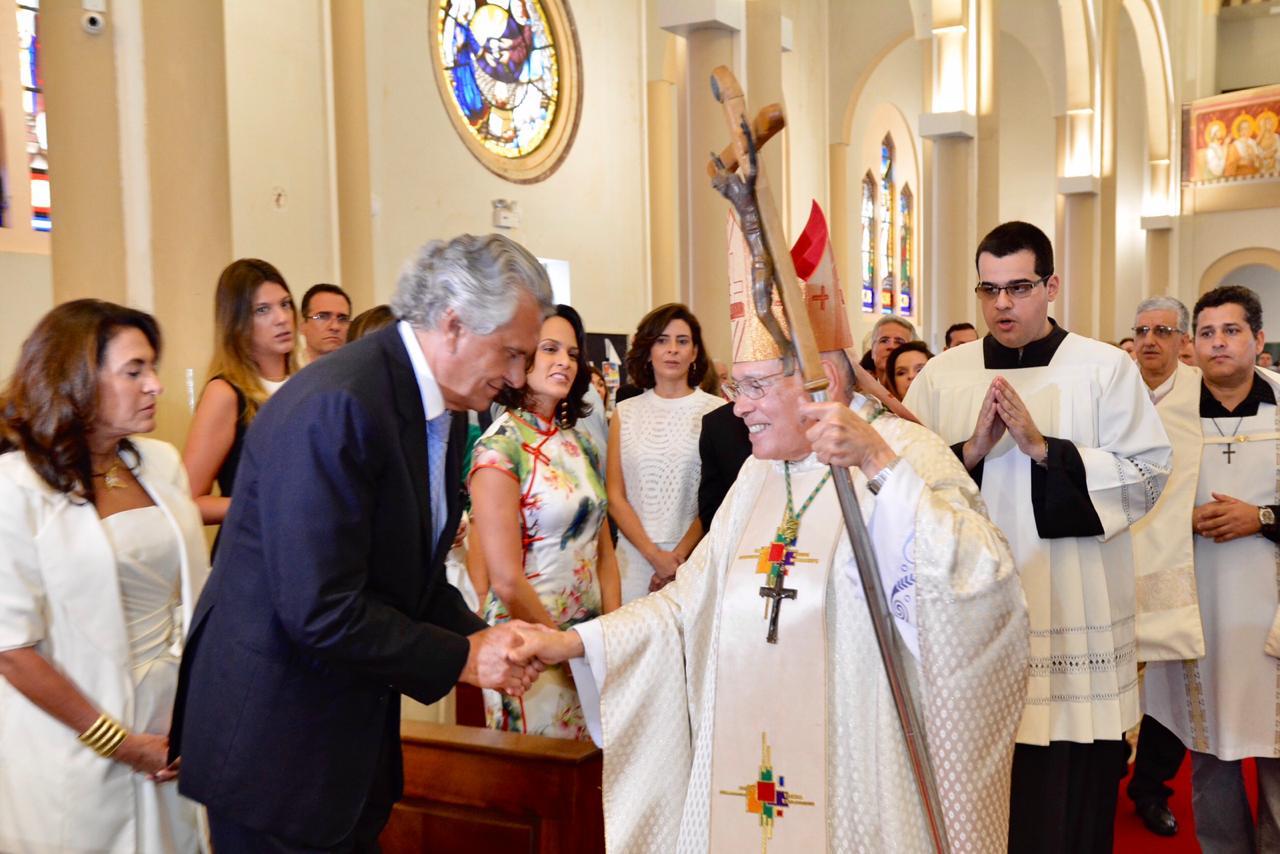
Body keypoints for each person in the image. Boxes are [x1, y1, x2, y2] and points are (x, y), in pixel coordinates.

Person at [521, 238, 1029, 851]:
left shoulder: (905, 454)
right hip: (748, 763)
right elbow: (688, 603)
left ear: (825, 381)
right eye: (737, 387)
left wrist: (877, 463)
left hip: (855, 784)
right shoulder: (758, 475)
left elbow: (982, 590)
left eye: (757, 387)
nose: (740, 409)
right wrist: (576, 640)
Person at [170, 234, 555, 851]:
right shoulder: (340, 403)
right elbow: (321, 607)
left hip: (335, 740)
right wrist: (463, 658)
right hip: (278, 748)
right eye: (510, 354)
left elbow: (407, 581)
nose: (515, 377)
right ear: (453, 324)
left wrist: (485, 636)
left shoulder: (442, 405)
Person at [904, 220, 1171, 854]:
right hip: (969, 615)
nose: (1002, 304)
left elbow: (1147, 477)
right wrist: (968, 451)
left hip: (1069, 603)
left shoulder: (1105, 369)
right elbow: (898, 485)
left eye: (1018, 287)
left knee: (1065, 798)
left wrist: (1045, 450)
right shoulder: (942, 376)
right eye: (988, 289)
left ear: (1051, 286)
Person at [0, 300, 209, 852]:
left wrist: (198, 720)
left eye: (153, 369)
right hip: (72, 735)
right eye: (134, 371)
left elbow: (195, 597)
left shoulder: (159, 463)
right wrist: (119, 743)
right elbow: (11, 649)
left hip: (171, 730)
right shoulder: (16, 488)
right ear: (76, 380)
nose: (155, 386)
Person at [1143, 286, 1280, 853]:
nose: (1218, 342)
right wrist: (1181, 515)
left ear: (1258, 340)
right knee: (1209, 756)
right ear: (1191, 346)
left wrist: (1262, 516)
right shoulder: (1162, 420)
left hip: (1271, 616)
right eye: (1207, 333)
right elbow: (1139, 508)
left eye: (1231, 331)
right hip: (1197, 615)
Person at [470, 305, 620, 740]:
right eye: (550, 349)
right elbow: (506, 580)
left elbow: (603, 550)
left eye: (573, 353)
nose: (565, 362)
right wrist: (563, 653)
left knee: (592, 771)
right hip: (528, 647)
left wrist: (608, 639)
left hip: (586, 639)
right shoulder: (499, 447)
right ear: (519, 358)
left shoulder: (583, 443)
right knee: (540, 782)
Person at [1125, 296, 1200, 837]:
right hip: (1115, 553)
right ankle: (1102, 774)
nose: (1150, 340)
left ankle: (1150, 787)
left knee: (1171, 684)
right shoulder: (1113, 387)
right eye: (1142, 330)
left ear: (1183, 341)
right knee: (1109, 679)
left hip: (1179, 555)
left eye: (1163, 331)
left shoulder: (1205, 395)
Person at [607, 303, 722, 602]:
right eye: (662, 340)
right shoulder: (625, 412)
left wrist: (677, 557)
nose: (672, 349)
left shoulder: (718, 412)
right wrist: (653, 555)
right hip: (634, 560)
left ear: (695, 352)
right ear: (648, 350)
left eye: (682, 341)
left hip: (693, 559)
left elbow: (718, 497)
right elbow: (615, 495)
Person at [183, 258, 297, 527]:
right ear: (237, 323)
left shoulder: (307, 383)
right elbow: (187, 501)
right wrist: (268, 505)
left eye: (285, 304)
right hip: (254, 553)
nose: (281, 319)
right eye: (262, 310)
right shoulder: (225, 393)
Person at [298, 283, 352, 366]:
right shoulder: (288, 373)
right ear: (302, 324)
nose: (335, 326)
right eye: (322, 317)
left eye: (343, 319)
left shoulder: (359, 372)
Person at [868, 314, 918, 386]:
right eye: (884, 341)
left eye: (899, 342)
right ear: (873, 350)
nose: (891, 346)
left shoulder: (921, 393)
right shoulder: (858, 395)